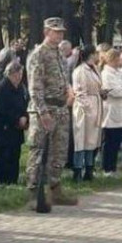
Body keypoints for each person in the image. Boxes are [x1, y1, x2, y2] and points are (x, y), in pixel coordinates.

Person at [26, 18, 77, 206]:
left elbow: (64, 79)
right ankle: (34, 192)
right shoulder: (38, 54)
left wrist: (69, 91)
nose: (60, 34)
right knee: (38, 151)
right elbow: (35, 86)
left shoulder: (60, 55)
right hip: (44, 109)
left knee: (59, 152)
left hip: (61, 108)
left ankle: (55, 188)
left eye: (61, 31)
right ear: (46, 32)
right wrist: (43, 112)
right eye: (56, 31)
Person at [100, 48, 122, 176]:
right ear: (112, 59)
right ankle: (107, 168)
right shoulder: (106, 74)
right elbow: (114, 91)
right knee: (110, 141)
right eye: (118, 59)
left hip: (121, 111)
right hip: (112, 111)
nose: (120, 61)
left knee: (117, 141)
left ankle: (113, 167)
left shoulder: (119, 73)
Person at [71, 45, 103, 182]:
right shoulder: (80, 71)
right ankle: (77, 170)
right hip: (84, 110)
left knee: (91, 140)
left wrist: (102, 93)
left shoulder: (95, 69)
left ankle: (89, 169)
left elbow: (97, 86)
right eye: (96, 53)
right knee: (81, 139)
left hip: (95, 104)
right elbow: (80, 92)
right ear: (91, 54)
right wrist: (89, 109)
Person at [0, 61, 28, 185]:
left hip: (17, 128)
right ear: (12, 74)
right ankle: (3, 181)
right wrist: (16, 119)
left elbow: (24, 104)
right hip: (4, 128)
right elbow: (0, 110)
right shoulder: (2, 89)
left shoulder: (20, 88)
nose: (19, 77)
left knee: (15, 155)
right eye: (18, 74)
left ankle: (13, 180)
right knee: (4, 156)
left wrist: (24, 117)